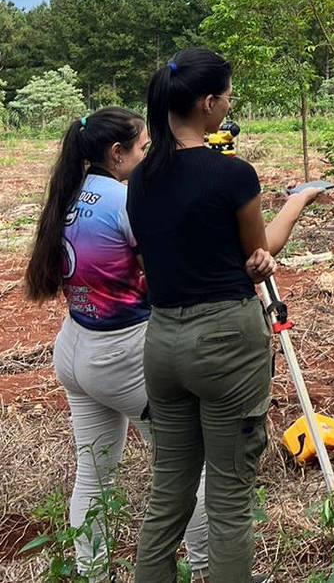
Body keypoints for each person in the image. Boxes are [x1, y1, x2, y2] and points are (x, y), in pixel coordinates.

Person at [128, 48, 321, 582]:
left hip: (162, 341)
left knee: (168, 494)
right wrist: (298, 201)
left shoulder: (141, 178)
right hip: (225, 341)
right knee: (230, 498)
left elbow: (157, 256)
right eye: (227, 97)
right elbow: (260, 251)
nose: (229, 106)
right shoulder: (232, 175)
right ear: (208, 103)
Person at [23, 107, 210, 581]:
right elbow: (166, 273)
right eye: (143, 148)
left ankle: (92, 573)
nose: (147, 155)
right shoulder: (126, 201)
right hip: (122, 356)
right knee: (189, 465)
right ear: (117, 153)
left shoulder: (69, 193)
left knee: (93, 473)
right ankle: (210, 569)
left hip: (75, 347)